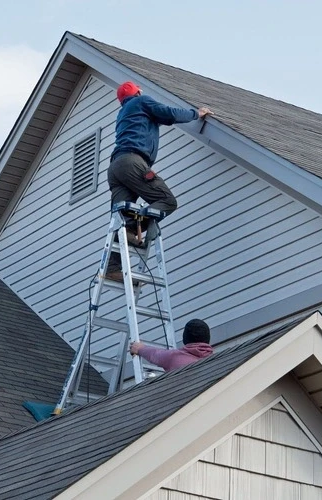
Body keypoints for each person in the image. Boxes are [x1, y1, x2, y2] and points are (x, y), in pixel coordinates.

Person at [105, 81, 212, 282]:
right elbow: (169, 113)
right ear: (137, 93)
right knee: (167, 201)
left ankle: (112, 267)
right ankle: (133, 230)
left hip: (115, 167)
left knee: (120, 218)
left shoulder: (124, 113)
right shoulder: (142, 101)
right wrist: (196, 114)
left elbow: (158, 118)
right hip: (132, 162)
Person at [129, 319, 214, 372]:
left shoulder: (175, 357)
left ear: (185, 337)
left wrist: (140, 348)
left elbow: (155, 355)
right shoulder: (214, 360)